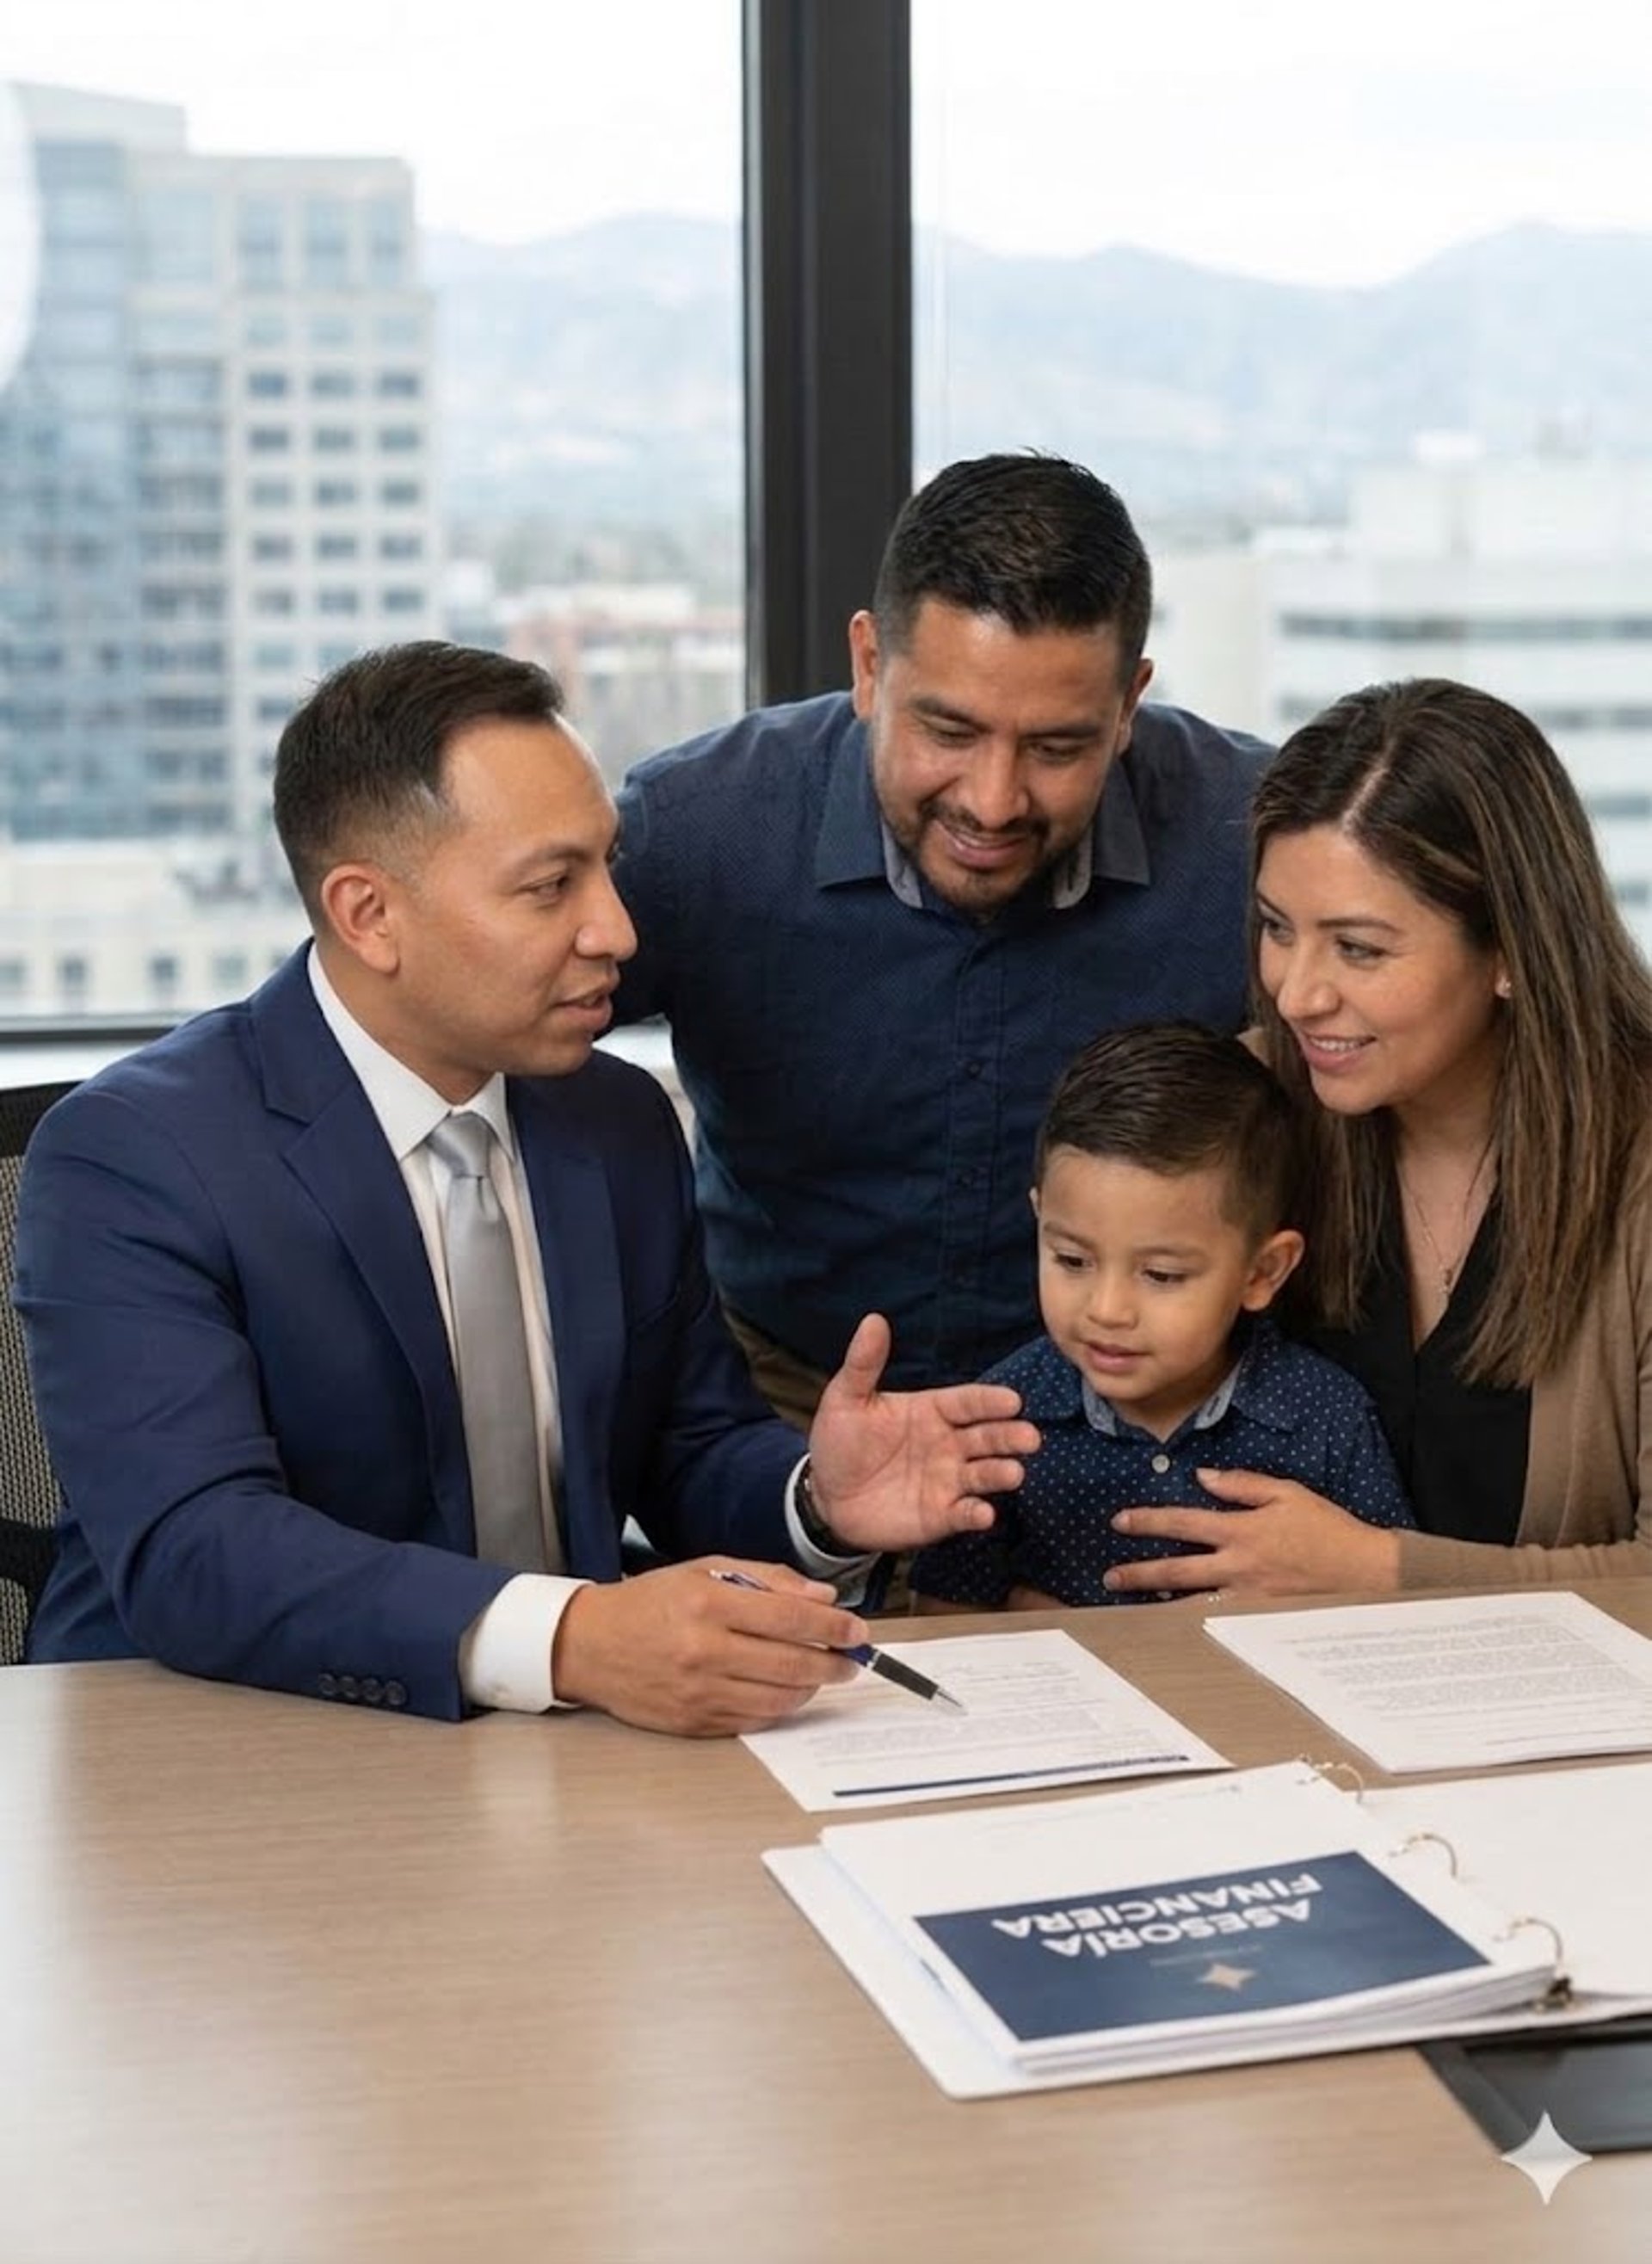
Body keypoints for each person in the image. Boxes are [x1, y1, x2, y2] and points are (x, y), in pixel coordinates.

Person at [14, 642, 1036, 1733]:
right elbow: (195, 1550)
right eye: (553, 887)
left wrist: (818, 1500)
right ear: (368, 915)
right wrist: (571, 1639)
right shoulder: (134, 1153)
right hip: (217, 1747)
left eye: (608, 866)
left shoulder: (615, 1121)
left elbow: (683, 1450)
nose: (618, 931)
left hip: (563, 1753)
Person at [613, 453, 1271, 1420]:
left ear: (1130, 703)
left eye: (1057, 748)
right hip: (774, 1409)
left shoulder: (1253, 841)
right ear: (871, 665)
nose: (993, 802)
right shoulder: (696, 831)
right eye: (950, 732)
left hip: (1139, 1420)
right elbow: (486, 1035)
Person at [1103, 676, 1652, 1599]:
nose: (1297, 994)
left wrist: (1377, 1570)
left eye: (1359, 948)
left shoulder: (1636, 1166)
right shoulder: (1248, 1108)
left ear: (1512, 952)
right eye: (1279, 929)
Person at [908, 1023, 1410, 1611]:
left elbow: (1385, 1610)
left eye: (1162, 1275)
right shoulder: (998, 1422)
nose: (1107, 1310)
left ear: (1263, 1272)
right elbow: (942, 1616)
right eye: (1071, 1259)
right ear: (1039, 1218)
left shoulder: (1327, 1416)